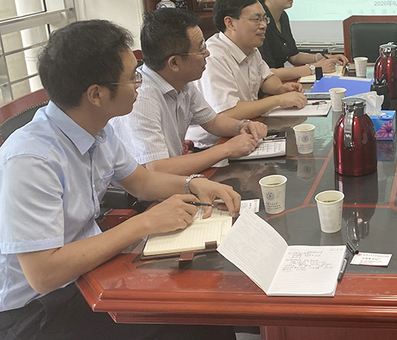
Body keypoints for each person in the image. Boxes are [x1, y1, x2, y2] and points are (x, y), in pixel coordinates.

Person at [0, 20, 239, 340]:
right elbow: (44, 274)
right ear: (96, 94)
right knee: (190, 319)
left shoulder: (97, 129)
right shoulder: (31, 160)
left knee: (204, 306)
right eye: (132, 77)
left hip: (86, 273)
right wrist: (145, 223)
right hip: (38, 310)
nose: (140, 83)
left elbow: (141, 182)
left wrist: (193, 184)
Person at [111, 9, 270, 176]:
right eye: (201, 50)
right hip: (150, 187)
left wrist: (242, 126)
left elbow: (213, 122)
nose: (207, 53)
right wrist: (226, 149)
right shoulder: (141, 98)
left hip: (174, 176)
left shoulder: (182, 82)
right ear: (174, 63)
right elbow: (158, 169)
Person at [187, 0, 307, 148]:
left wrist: (279, 89)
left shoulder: (250, 48)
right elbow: (228, 113)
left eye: (264, 19)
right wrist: (278, 100)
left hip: (245, 133)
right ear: (230, 23)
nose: (263, 25)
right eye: (256, 19)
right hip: (212, 145)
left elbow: (266, 77)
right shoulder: (214, 57)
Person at [256, 0, 348, 79]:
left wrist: (323, 58)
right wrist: (314, 68)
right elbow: (267, 73)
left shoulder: (282, 16)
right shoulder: (259, 22)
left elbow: (293, 56)